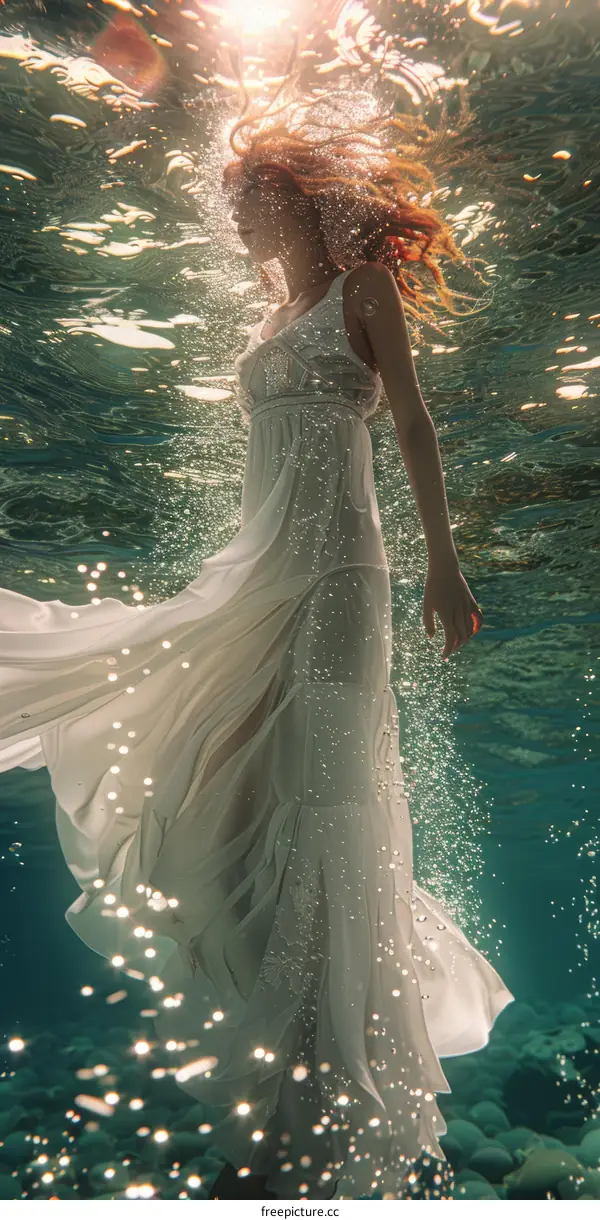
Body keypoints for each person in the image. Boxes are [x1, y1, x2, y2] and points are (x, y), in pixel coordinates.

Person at [0, 91, 513, 1201]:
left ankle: (336, 1088)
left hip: (342, 573)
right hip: (266, 568)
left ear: (300, 201)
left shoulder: (364, 292)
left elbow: (415, 425)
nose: (241, 225)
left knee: (325, 798)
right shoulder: (267, 326)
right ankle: (285, 1058)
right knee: (235, 784)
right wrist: (225, 579)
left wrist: (445, 558)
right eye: (235, 208)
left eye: (255, 203)